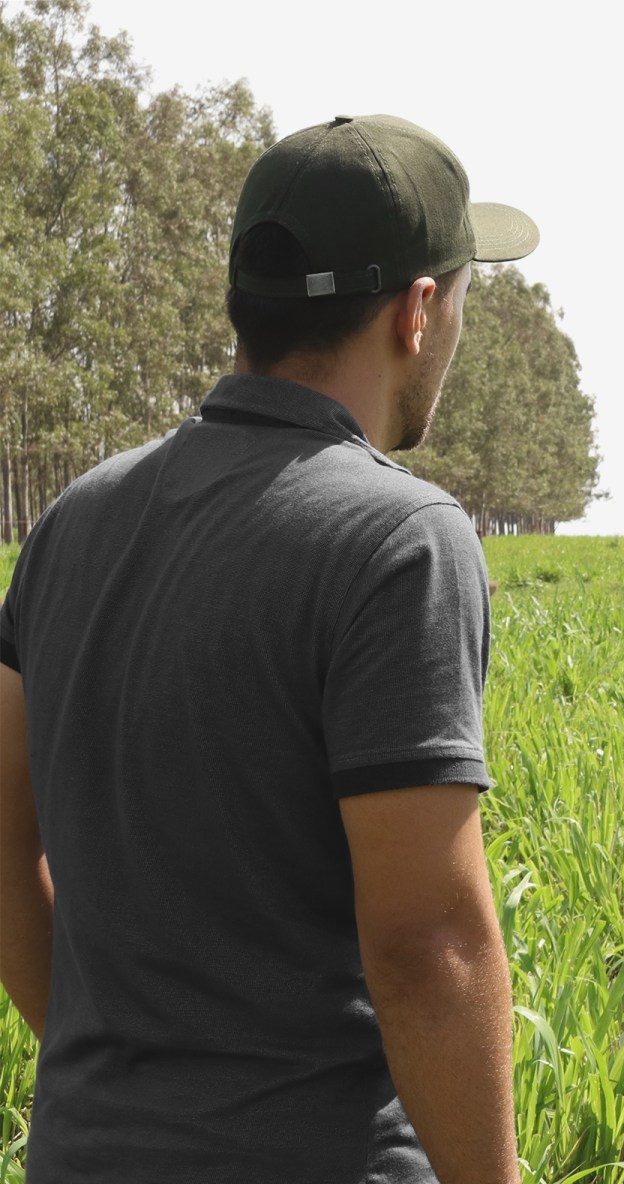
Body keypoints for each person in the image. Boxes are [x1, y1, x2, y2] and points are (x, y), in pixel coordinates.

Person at [0, 113, 537, 1184]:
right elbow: (428, 947)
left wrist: (127, 1081)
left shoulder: (72, 519)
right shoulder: (401, 539)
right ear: (419, 311)